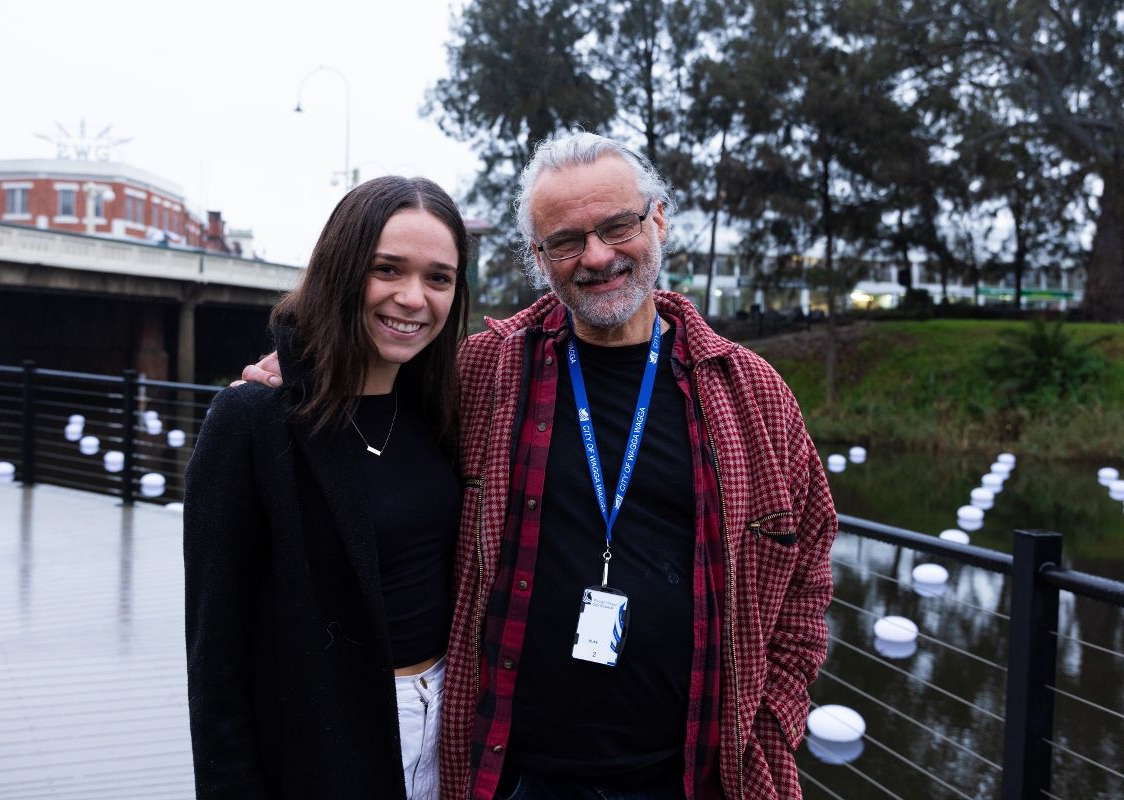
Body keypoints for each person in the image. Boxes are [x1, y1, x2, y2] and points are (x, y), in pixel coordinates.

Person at [242, 133, 836, 800]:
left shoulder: (750, 393)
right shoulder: (482, 372)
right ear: (538, 257)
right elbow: (372, 387)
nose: (598, 256)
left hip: (696, 772)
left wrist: (776, 718)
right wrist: (295, 372)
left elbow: (809, 566)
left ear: (659, 219)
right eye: (566, 240)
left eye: (618, 226)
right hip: (517, 775)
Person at [185, 175, 470, 799]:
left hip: (453, 727)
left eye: (438, 278)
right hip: (329, 738)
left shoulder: (445, 407)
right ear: (341, 270)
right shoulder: (253, 420)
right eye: (387, 269)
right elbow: (216, 656)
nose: (413, 298)